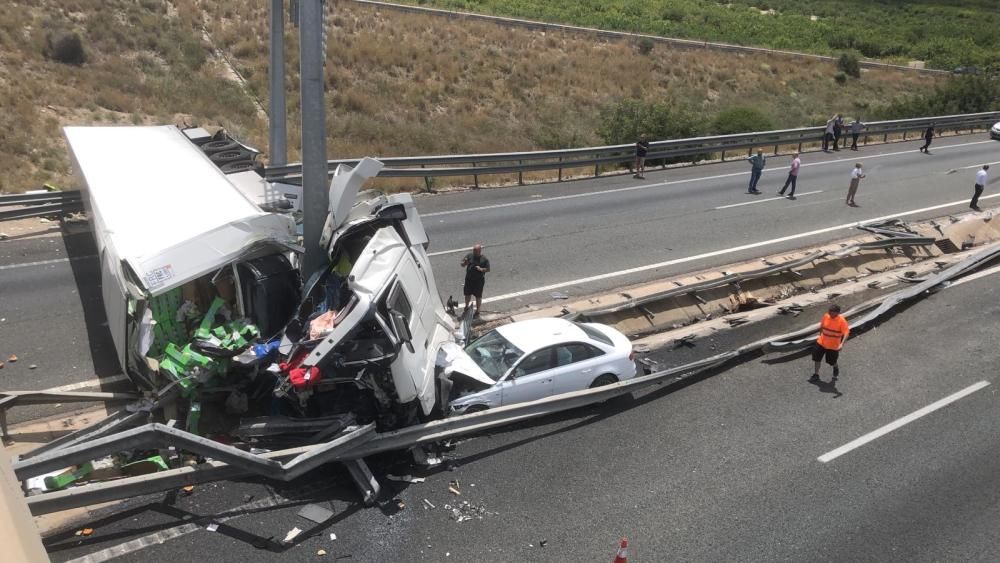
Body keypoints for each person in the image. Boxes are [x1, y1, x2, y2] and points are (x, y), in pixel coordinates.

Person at [810, 304, 850, 382]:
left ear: (837, 313)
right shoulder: (826, 316)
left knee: (831, 361)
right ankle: (816, 375)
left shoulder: (842, 321)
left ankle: (835, 366)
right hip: (821, 342)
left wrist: (841, 344)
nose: (829, 314)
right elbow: (821, 326)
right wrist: (820, 335)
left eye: (831, 313)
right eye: (829, 312)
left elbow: (846, 333)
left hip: (833, 346)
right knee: (817, 359)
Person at [461, 243, 491, 317]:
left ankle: (477, 311)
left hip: (479, 281)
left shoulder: (484, 259)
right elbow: (462, 264)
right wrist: (465, 263)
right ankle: (466, 306)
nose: (473, 252)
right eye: (473, 250)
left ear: (479, 251)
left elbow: (488, 269)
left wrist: (481, 269)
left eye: (475, 251)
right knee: (467, 294)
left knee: (478, 296)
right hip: (469, 280)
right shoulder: (469, 256)